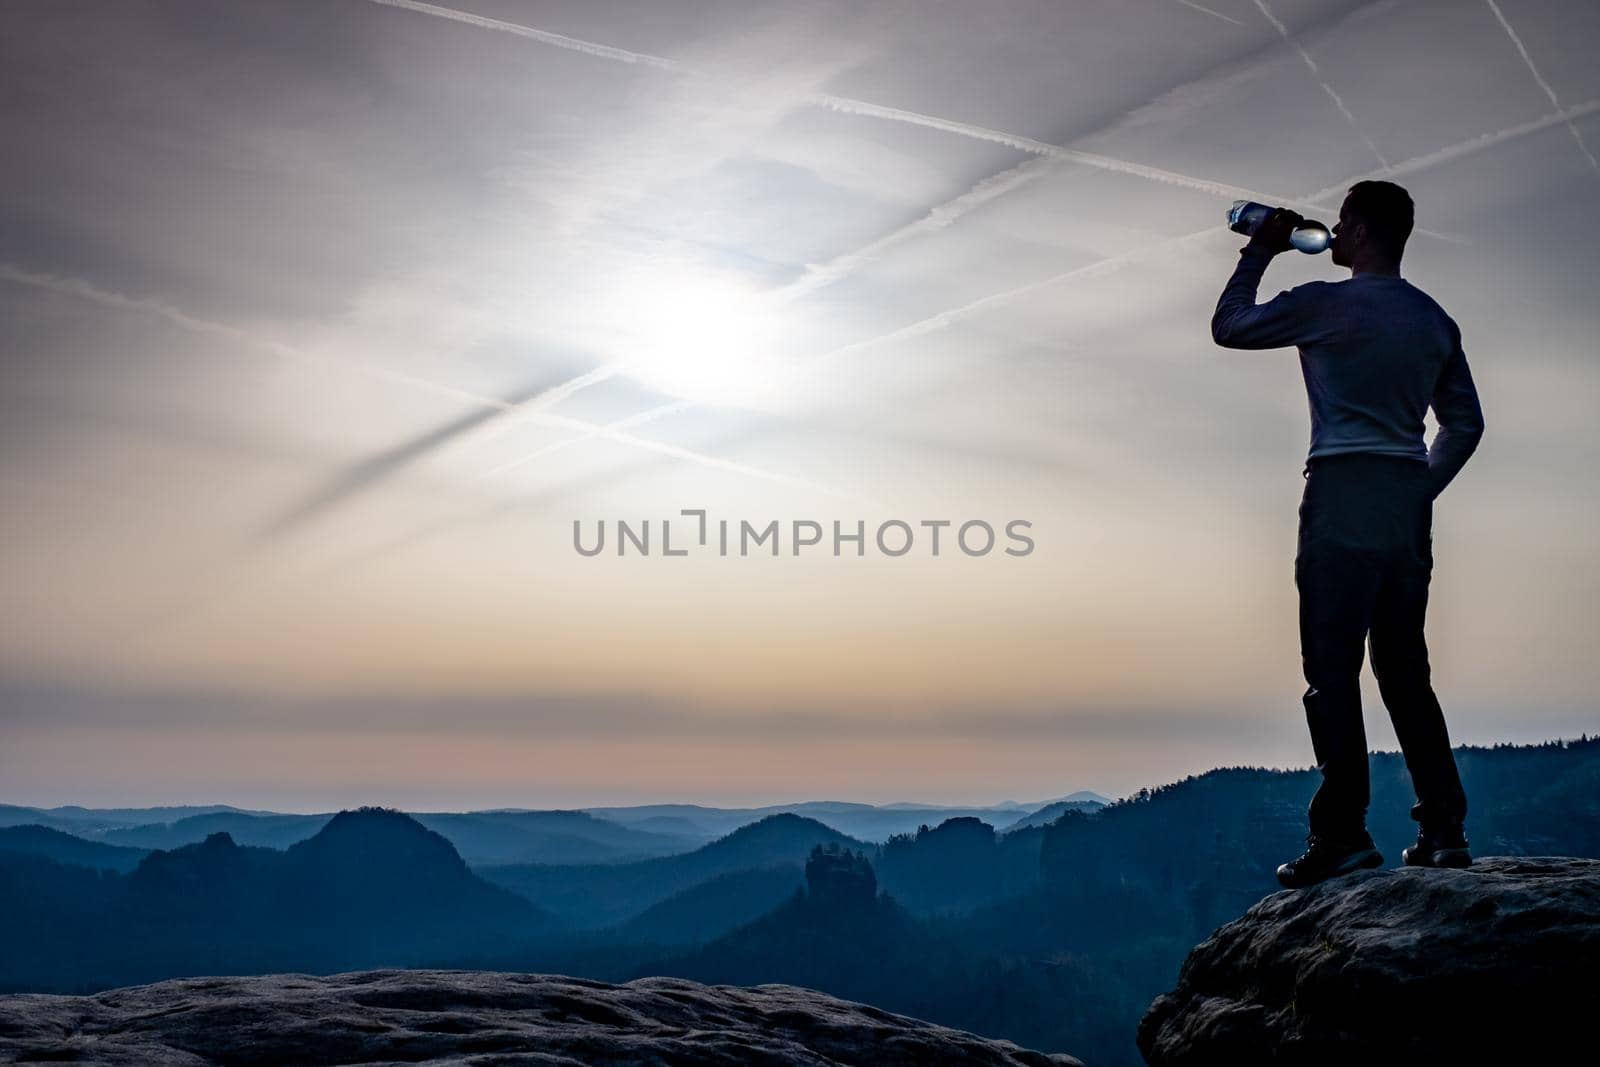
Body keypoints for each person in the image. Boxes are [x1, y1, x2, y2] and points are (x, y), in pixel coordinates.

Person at [1211, 180, 1485, 889]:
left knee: (1331, 671)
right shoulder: (1433, 319)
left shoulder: (1324, 303)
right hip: (1402, 494)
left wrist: (1261, 249)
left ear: (1360, 232)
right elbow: (1465, 423)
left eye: (1340, 223)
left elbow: (1230, 323)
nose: (1331, 233)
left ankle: (1342, 836)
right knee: (1404, 670)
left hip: (1341, 488)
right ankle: (1445, 830)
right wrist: (1419, 486)